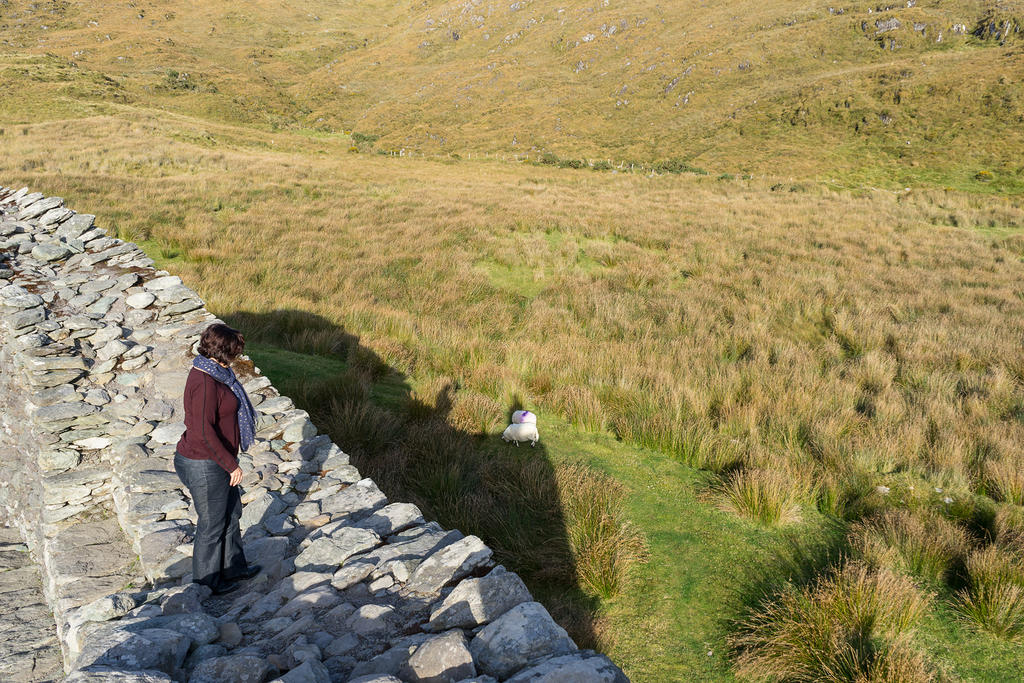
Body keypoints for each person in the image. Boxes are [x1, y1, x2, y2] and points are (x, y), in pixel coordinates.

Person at [174, 323, 261, 595]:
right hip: (204, 463)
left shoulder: (218, 372)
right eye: (235, 351)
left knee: (232, 513)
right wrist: (231, 464)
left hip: (214, 460)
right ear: (222, 351)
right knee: (211, 525)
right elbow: (202, 432)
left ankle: (234, 569)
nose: (238, 356)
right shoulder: (204, 381)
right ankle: (206, 584)